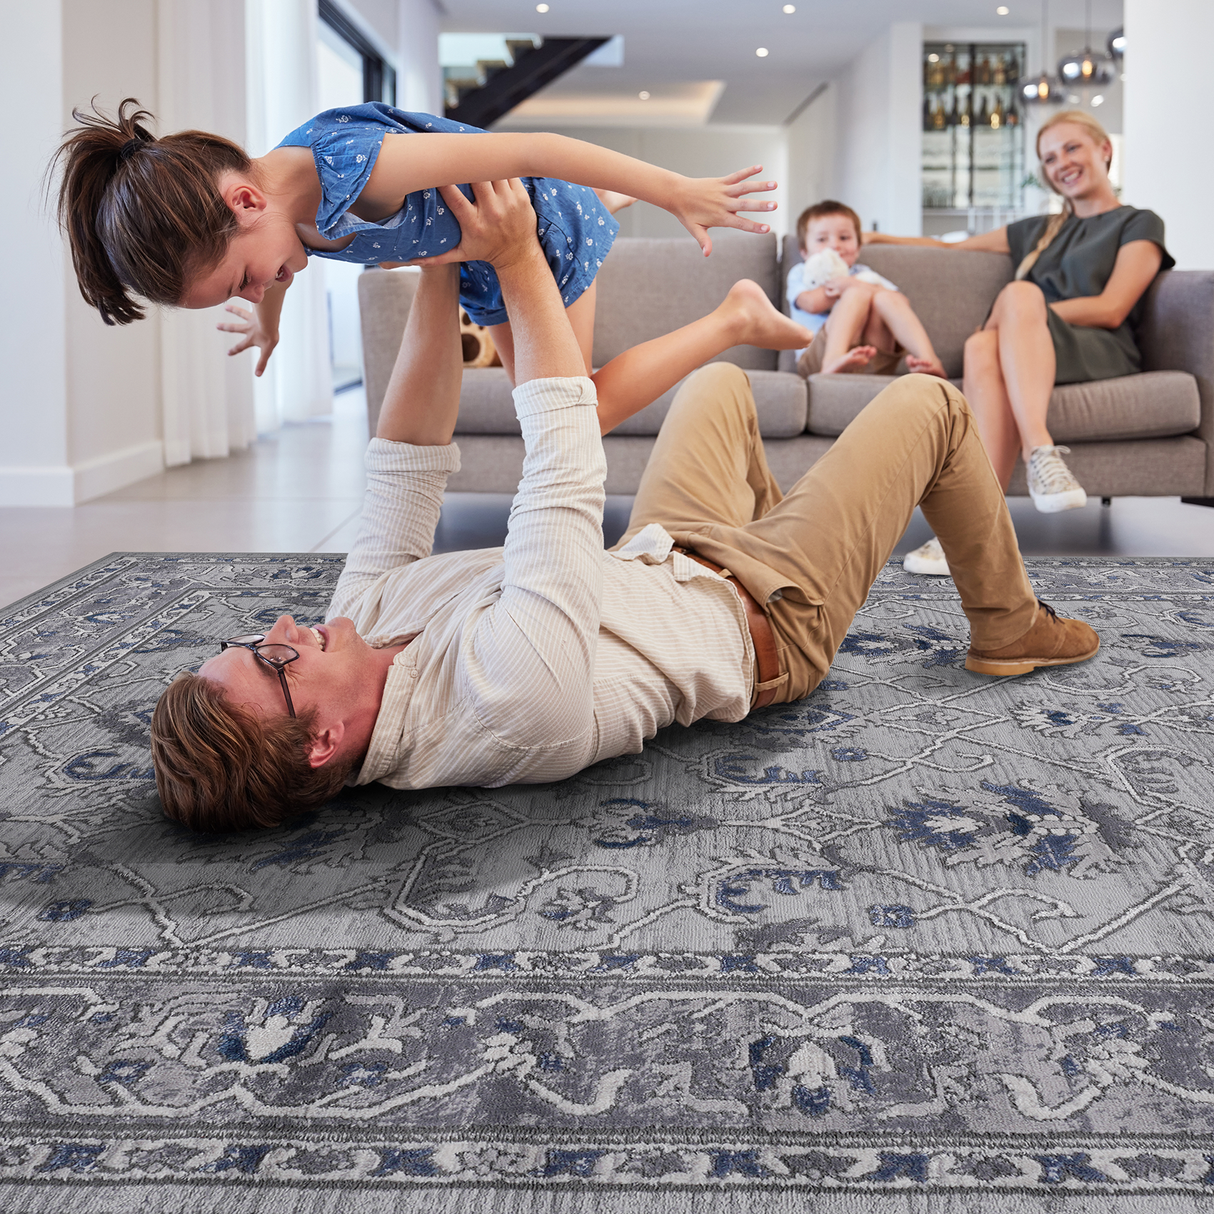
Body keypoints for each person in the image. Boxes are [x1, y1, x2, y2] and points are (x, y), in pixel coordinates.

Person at [150, 178, 1100, 833]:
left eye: (253, 638)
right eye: (273, 659)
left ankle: (794, 523)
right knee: (932, 405)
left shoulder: (353, 631)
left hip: (664, 554)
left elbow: (404, 464)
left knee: (718, 387)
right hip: (768, 617)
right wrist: (515, 260)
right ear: (323, 742)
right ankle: (1009, 626)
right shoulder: (506, 702)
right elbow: (563, 466)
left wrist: (441, 258)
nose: (283, 627)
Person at [53, 98, 776, 389]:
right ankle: (604, 204)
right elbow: (278, 272)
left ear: (244, 202)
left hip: (536, 233)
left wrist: (675, 190)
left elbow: (537, 147)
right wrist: (267, 324)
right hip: (481, 266)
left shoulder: (359, 167)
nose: (259, 287)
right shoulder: (275, 215)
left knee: (573, 411)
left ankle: (733, 317)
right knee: (547, 409)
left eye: (244, 280)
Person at [866, 110, 1173, 577]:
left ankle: (1039, 451)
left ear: (1104, 150)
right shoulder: (1038, 229)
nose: (1061, 163)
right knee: (980, 346)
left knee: (1018, 296)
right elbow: (950, 249)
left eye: (1071, 148)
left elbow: (1112, 307)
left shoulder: (1139, 222)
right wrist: (875, 238)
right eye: (1049, 158)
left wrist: (1023, 314)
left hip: (1097, 347)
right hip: (1025, 346)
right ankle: (972, 525)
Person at [787, 200, 947, 378]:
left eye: (844, 238)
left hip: (872, 359)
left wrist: (858, 284)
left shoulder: (863, 274)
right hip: (818, 360)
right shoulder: (800, 273)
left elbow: (900, 302)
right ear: (805, 252)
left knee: (883, 297)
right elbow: (810, 304)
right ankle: (833, 358)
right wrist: (843, 288)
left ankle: (929, 359)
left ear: (857, 249)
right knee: (857, 293)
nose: (834, 245)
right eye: (822, 239)